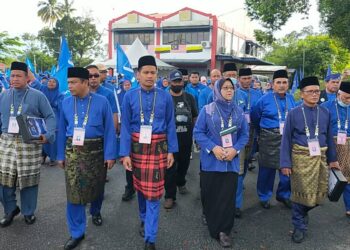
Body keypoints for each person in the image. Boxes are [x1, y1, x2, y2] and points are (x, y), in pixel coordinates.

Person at [120, 55, 178, 250]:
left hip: (158, 147)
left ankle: (150, 238)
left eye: (153, 72)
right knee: (140, 188)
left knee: (153, 193)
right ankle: (143, 218)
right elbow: (126, 126)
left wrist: (172, 151)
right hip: (136, 148)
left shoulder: (165, 96)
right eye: (145, 72)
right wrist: (125, 154)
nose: (149, 76)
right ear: (138, 75)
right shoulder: (129, 96)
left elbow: (171, 124)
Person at [57, 67, 116, 250]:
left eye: (73, 82)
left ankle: (96, 211)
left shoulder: (102, 101)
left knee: (96, 187)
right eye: (68, 82)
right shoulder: (66, 102)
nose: (70, 86)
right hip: (72, 152)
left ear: (84, 83)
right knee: (74, 192)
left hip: (96, 151)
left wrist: (110, 154)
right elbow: (61, 130)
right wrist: (60, 155)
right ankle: (77, 232)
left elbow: (109, 130)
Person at [280, 76, 339, 243]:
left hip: (320, 157)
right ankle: (299, 226)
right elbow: (286, 140)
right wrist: (285, 163)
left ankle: (304, 213)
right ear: (302, 94)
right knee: (300, 195)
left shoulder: (325, 112)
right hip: (300, 158)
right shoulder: (293, 113)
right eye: (310, 92)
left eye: (316, 91)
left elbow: (329, 137)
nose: (314, 95)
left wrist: (333, 159)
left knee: (319, 195)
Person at [194, 78, 249, 248]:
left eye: (231, 88)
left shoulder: (239, 111)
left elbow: (244, 135)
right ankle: (210, 218)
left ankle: (224, 231)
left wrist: (235, 149)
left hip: (231, 161)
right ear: (218, 90)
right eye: (225, 88)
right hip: (211, 161)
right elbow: (198, 132)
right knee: (210, 194)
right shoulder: (208, 110)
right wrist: (213, 148)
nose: (229, 91)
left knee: (227, 197)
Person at [0, 62, 56, 227]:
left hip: (29, 142)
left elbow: (50, 116)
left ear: (27, 77)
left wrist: (48, 135)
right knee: (3, 180)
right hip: (7, 142)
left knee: (28, 181)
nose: (15, 79)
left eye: (18, 76)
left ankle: (28, 212)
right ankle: (10, 209)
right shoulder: (3, 95)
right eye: (12, 76)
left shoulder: (38, 95)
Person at [251, 69, 295, 209]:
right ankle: (264, 196)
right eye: (278, 82)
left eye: (284, 82)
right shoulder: (264, 99)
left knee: (287, 169)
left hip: (287, 139)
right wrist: (261, 133)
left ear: (288, 84)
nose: (281, 85)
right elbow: (255, 117)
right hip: (268, 138)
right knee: (266, 170)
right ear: (272, 84)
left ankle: (284, 195)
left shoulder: (291, 99)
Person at [164, 69, 198, 209]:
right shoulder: (164, 97)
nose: (178, 83)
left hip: (186, 138)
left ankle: (181, 182)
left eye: (180, 81)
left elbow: (195, 116)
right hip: (169, 140)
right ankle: (170, 196)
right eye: (175, 81)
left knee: (184, 164)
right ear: (169, 82)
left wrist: (196, 134)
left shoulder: (189, 97)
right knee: (170, 168)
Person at [235, 68, 262, 217]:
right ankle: (236, 204)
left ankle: (240, 182)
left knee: (247, 162)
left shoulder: (258, 94)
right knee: (239, 166)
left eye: (249, 78)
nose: (247, 81)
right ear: (239, 79)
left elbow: (259, 115)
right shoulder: (234, 93)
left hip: (253, 131)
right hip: (238, 132)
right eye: (244, 78)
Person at [321, 81, 350, 218]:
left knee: (347, 176)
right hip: (329, 143)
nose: (349, 100)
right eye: (346, 98)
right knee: (325, 173)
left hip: (348, 145)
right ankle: (316, 197)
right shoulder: (326, 107)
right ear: (338, 94)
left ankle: (349, 207)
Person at [117, 78, 136, 201]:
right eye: (125, 85)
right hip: (128, 131)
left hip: (144, 136)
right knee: (129, 164)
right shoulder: (119, 95)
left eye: (129, 84)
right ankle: (130, 187)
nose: (127, 86)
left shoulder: (135, 94)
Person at [41, 77, 64, 166]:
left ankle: (53, 158)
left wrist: (54, 104)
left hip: (55, 117)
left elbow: (60, 107)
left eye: (54, 82)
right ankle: (43, 155)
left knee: (53, 136)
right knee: (42, 135)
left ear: (57, 84)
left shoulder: (60, 95)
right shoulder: (42, 93)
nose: (51, 83)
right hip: (43, 117)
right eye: (49, 81)